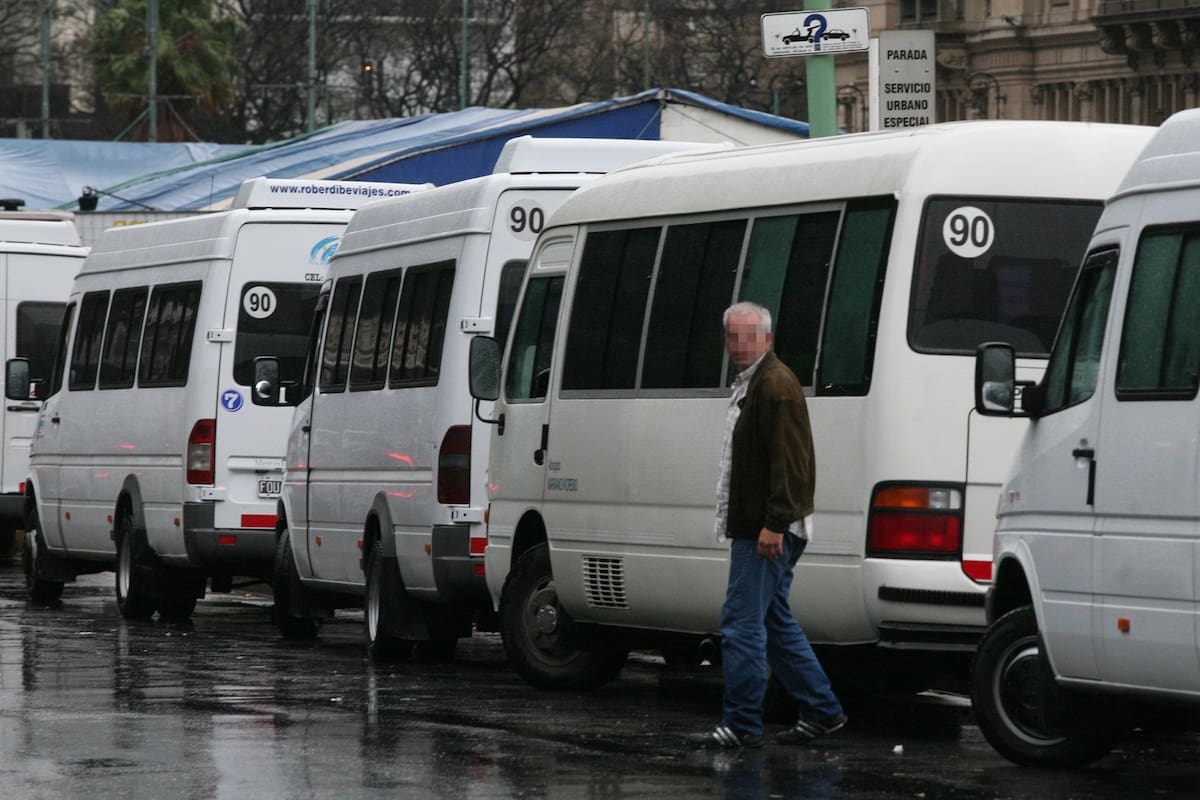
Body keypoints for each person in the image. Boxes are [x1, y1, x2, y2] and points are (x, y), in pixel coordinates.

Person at [687, 301, 846, 750]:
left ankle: (741, 725)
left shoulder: (774, 385)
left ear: (768, 340)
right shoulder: (756, 383)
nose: (739, 345)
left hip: (766, 529)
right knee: (774, 622)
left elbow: (791, 464)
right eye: (732, 337)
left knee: (741, 624)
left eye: (748, 337)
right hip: (762, 525)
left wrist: (774, 524)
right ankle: (822, 710)